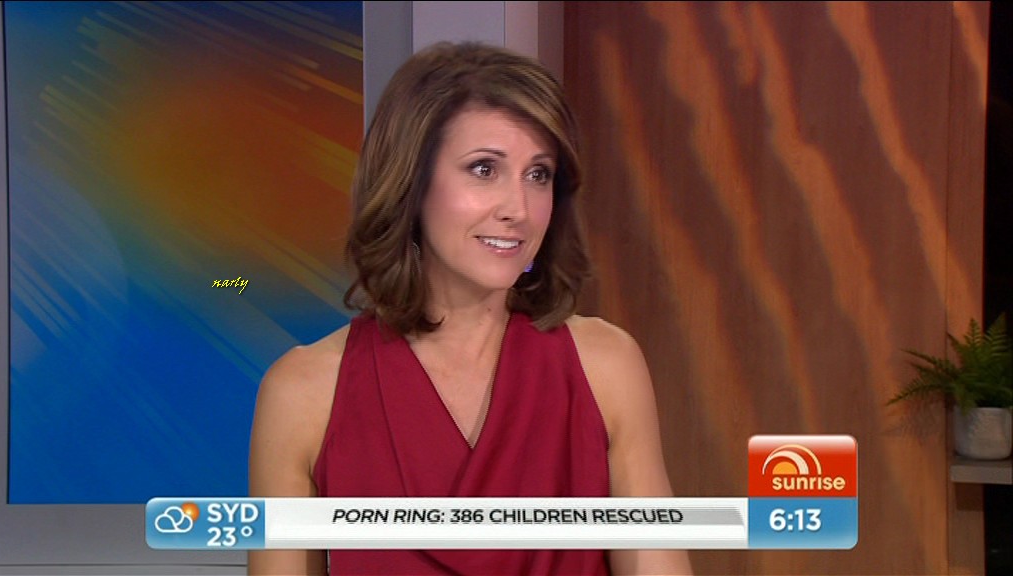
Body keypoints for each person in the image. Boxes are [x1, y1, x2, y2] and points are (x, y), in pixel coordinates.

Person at [248, 41, 693, 576]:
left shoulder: (607, 368)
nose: (518, 209)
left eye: (538, 174)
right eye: (484, 169)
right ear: (411, 183)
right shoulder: (303, 394)